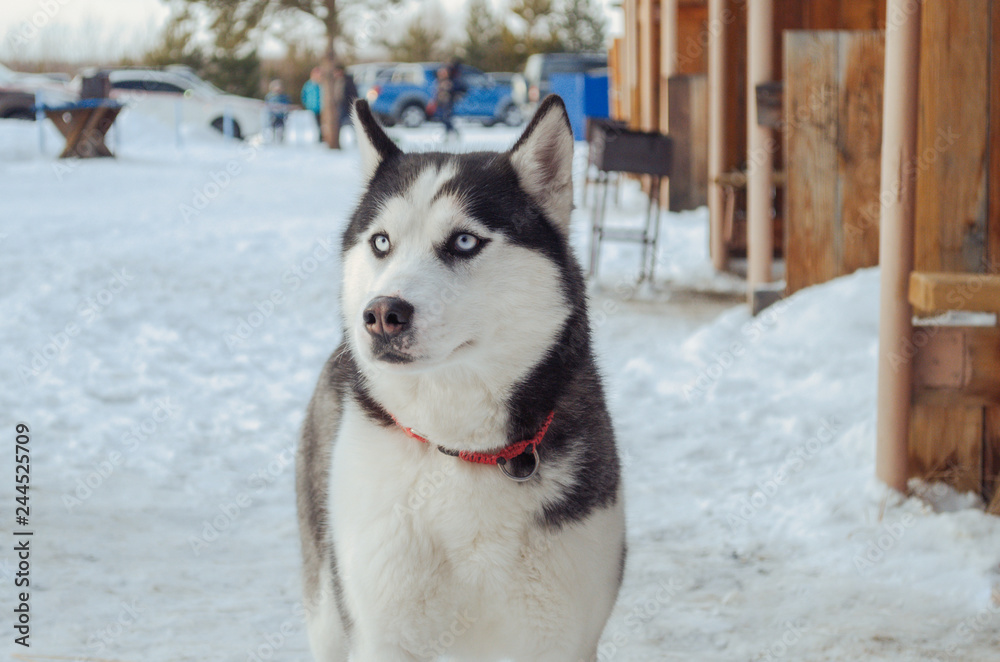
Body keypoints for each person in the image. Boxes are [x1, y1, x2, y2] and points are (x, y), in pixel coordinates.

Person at [432, 66, 458, 139]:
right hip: (440, 103)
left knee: (446, 118)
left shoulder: (448, 82)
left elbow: (450, 92)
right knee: (442, 117)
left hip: (447, 102)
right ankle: (449, 131)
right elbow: (436, 93)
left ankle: (451, 131)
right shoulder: (438, 82)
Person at [300, 67, 323, 142]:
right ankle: (318, 137)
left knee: (322, 125)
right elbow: (304, 95)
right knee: (316, 124)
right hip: (313, 108)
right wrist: (307, 104)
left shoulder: (322, 84)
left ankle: (322, 137)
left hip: (322, 108)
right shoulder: (308, 85)